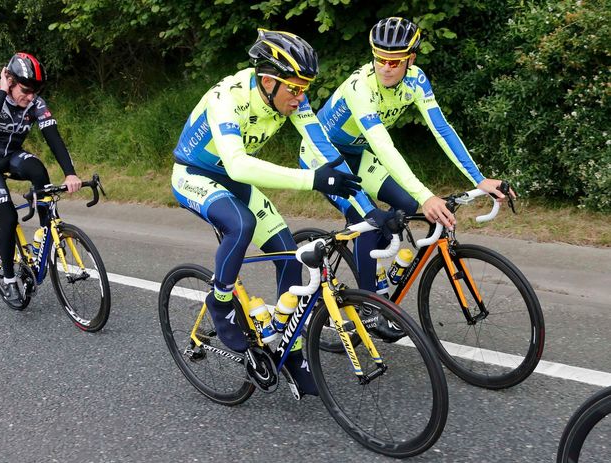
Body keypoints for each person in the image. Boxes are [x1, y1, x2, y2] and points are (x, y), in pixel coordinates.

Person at [171, 29, 376, 397]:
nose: (301, 98)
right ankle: (221, 304)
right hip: (194, 174)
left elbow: (326, 153)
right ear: (268, 81)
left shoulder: (294, 98)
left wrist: (369, 212)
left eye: (305, 89)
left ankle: (290, 350)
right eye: (294, 90)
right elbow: (237, 166)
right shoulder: (227, 99)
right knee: (241, 224)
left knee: (288, 254)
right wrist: (312, 180)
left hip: (233, 181)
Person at [299, 17, 515, 340]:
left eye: (394, 61)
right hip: (324, 155)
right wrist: (428, 195)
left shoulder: (416, 80)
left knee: (405, 205)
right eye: (379, 58)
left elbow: (441, 129)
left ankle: (382, 267)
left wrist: (480, 179)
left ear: (410, 59)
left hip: (358, 152)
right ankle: (371, 308)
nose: (385, 67)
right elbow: (385, 148)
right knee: (369, 218)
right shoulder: (361, 88)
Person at [0, 52, 81, 304]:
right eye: (25, 90)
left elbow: (53, 138)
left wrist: (70, 172)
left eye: (35, 92)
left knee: (38, 170)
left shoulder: (35, 104)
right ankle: (9, 280)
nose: (30, 97)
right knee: (8, 218)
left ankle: (44, 232)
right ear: (9, 80)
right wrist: (2, 90)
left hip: (12, 155)